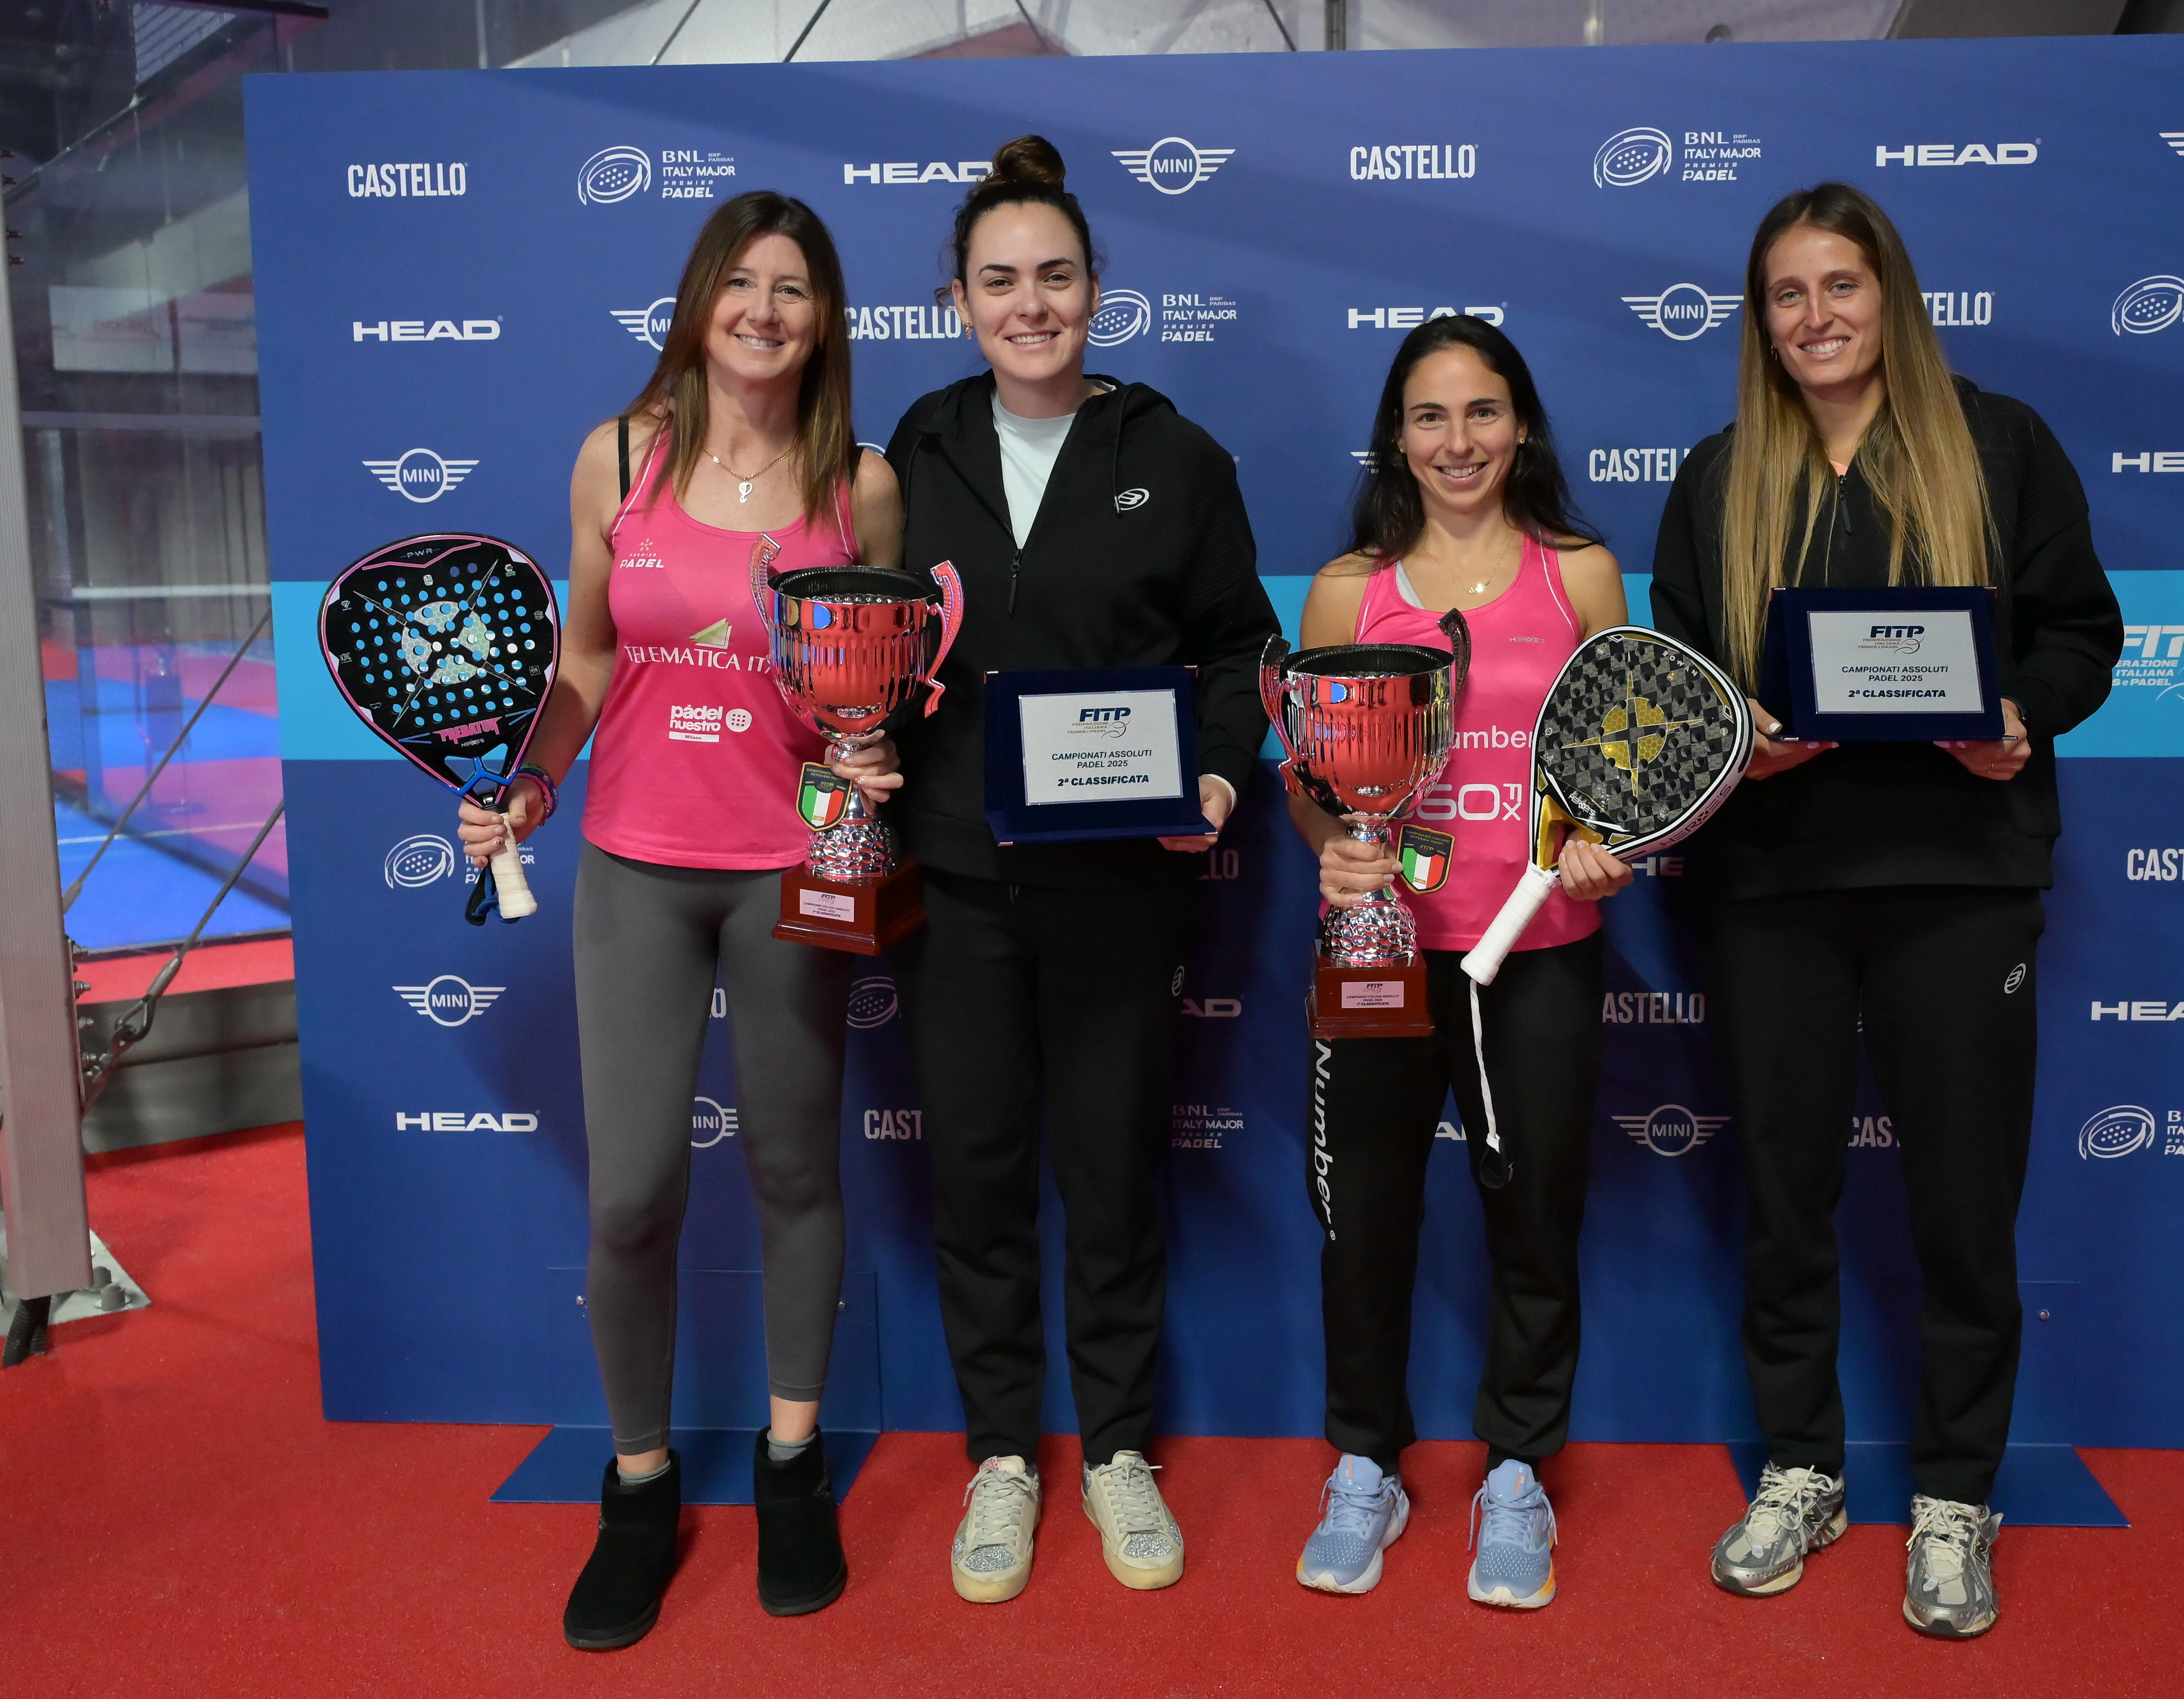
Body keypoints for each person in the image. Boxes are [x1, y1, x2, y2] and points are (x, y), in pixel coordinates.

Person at [1649, 182, 2121, 1639]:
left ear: (1890, 294)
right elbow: (1677, 679)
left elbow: (2079, 634)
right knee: (1786, 1196)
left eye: (1839, 286)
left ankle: (1953, 1492)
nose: (1815, 318)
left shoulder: (1998, 441)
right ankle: (1799, 1466)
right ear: (1759, 318)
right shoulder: (1722, 472)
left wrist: (2017, 718)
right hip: (1776, 887)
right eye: (1786, 295)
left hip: (1957, 878)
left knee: (1962, 1205)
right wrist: (1742, 732)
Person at [456, 191, 902, 1650]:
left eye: (795, 289)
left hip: (793, 870)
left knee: (790, 1167)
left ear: (824, 318)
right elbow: (586, 650)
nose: (767, 309)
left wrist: (867, 753)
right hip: (635, 865)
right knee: (632, 1192)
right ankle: (638, 1486)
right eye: (743, 283)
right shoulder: (621, 453)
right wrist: (529, 779)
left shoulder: (865, 482)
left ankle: (791, 1466)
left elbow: (878, 687)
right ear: (701, 298)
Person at [881, 135, 1280, 1605]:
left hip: (1123, 880)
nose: (1030, 304)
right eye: (999, 281)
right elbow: (857, 640)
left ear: (1098, 290)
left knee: (1110, 1172)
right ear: (957, 302)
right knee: (978, 1172)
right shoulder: (906, 453)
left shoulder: (1174, 455)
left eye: (1055, 275)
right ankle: (1002, 1451)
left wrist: (1224, 773)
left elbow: (1242, 650)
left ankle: (1116, 1447)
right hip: (957, 878)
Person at [1286, 316, 1631, 1610]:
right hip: (1383, 950)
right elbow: (1309, 784)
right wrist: (1333, 845)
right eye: (1429, 418)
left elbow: (1616, 756)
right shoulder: (1346, 589)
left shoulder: (1578, 572)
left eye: (1481, 412)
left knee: (1535, 1211)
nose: (1457, 441)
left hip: (1535, 946)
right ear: (1395, 439)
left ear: (1522, 423)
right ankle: (1365, 1460)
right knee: (1364, 1219)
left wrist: (1602, 843)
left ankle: (1517, 1472)